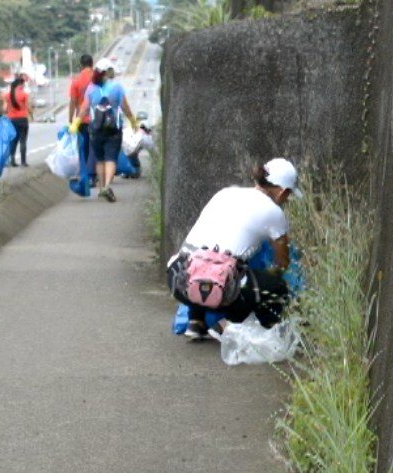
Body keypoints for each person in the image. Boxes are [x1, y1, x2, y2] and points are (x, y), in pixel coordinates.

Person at [166, 158, 303, 340]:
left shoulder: (225, 193)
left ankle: (196, 321)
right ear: (282, 191)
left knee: (205, 262)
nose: (287, 199)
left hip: (178, 279)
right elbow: (283, 261)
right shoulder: (274, 212)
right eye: (289, 195)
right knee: (276, 285)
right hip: (219, 287)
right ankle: (225, 325)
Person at [70, 58, 137, 202]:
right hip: (114, 129)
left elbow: (84, 108)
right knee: (111, 158)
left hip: (96, 129)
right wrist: (133, 121)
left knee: (100, 159)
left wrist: (76, 123)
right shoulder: (117, 87)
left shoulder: (91, 88)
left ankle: (101, 189)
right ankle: (107, 186)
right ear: (107, 72)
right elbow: (125, 107)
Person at [68, 54, 95, 183]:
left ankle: (87, 175)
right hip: (98, 118)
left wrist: (70, 120)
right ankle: (96, 175)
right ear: (92, 64)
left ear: (81, 65)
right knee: (96, 146)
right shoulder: (97, 78)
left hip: (82, 120)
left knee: (84, 148)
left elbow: (72, 102)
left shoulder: (76, 80)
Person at [3, 75, 32, 167]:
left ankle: (12, 160)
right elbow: (28, 107)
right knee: (23, 140)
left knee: (13, 141)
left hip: (11, 120)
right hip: (22, 119)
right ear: (21, 84)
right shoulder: (24, 94)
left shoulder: (7, 95)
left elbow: (4, 108)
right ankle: (23, 162)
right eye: (24, 84)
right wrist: (32, 116)